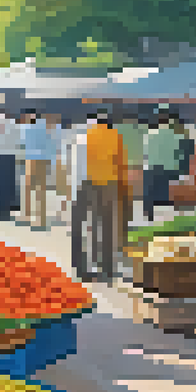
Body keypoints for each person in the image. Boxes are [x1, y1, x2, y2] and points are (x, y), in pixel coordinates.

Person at [72, 111, 128, 284]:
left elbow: (75, 164)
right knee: (107, 226)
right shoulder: (116, 137)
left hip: (86, 183)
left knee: (83, 225)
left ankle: (82, 267)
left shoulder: (85, 136)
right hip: (109, 183)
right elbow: (121, 164)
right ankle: (108, 267)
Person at [142, 110, 183, 222]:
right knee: (165, 196)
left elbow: (145, 152)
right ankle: (164, 220)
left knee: (150, 196)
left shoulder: (150, 134)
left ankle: (149, 217)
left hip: (152, 168)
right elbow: (177, 153)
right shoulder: (174, 135)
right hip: (168, 169)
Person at [19, 109, 53, 230]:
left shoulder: (27, 128)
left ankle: (27, 216)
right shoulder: (44, 128)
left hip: (31, 159)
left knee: (27, 188)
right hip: (43, 160)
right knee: (41, 190)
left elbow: (22, 143)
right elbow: (49, 144)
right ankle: (41, 219)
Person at [0, 111, 22, 223]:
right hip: (11, 156)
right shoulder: (13, 125)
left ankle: (4, 212)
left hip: (0, 156)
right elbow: (18, 140)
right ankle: (12, 205)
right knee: (10, 183)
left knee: (2, 185)